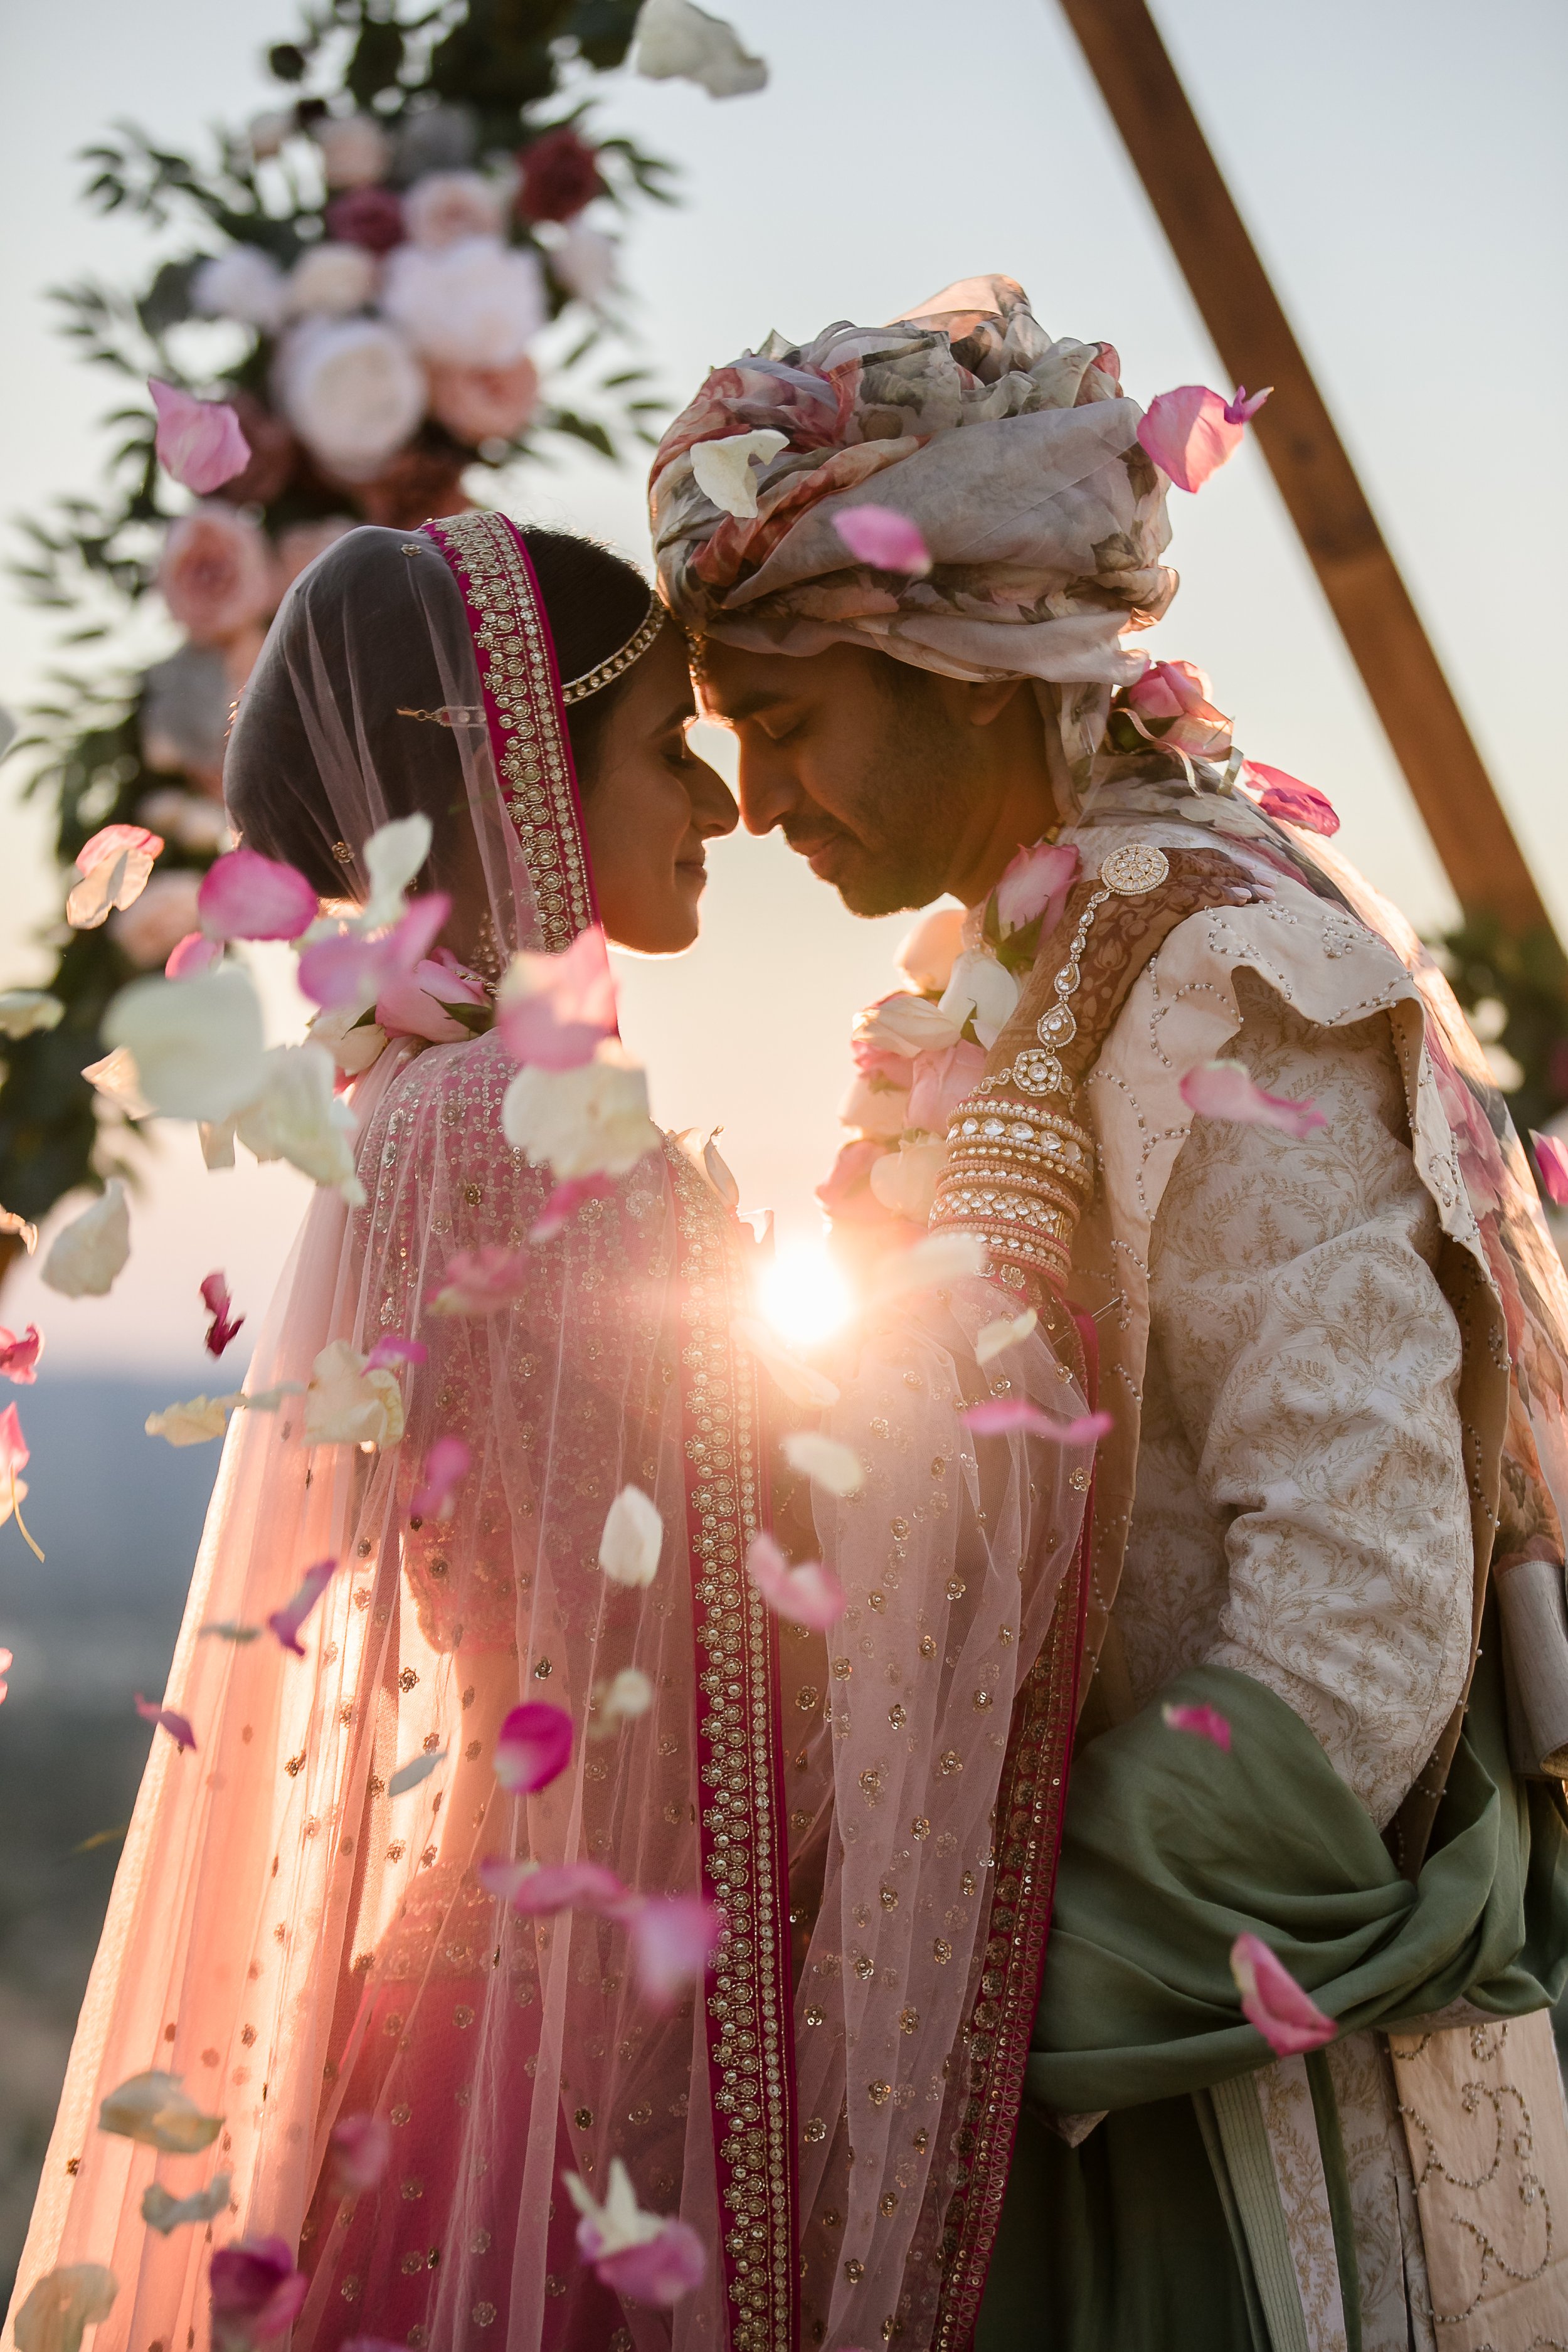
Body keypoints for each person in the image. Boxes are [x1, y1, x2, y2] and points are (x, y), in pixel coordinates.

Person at [8, 510, 1093, 2352]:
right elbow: (805, 1569)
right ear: (525, 775)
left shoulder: (430, 1110)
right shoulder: (520, 1125)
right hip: (604, 2049)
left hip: (514, 1993)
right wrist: (1002, 1207)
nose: (727, 805)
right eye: (672, 743)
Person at [652, 277, 1568, 2349]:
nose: (761, 805)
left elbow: (1356, 1617)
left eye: (785, 724)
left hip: (1212, 2119)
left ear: (964, 670)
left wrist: (964, 1999)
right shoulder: (1000, 982)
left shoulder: (1227, 977)